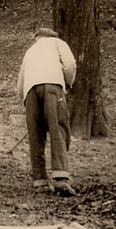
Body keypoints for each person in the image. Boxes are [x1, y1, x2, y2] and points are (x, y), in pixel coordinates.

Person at [16, 27, 77, 196]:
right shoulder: (58, 43)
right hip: (52, 86)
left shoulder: (30, 51)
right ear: (52, 36)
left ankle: (40, 180)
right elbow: (70, 64)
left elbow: (20, 81)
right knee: (58, 129)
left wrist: (27, 103)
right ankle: (61, 178)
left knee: (36, 135)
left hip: (30, 91)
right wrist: (67, 82)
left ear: (37, 38)